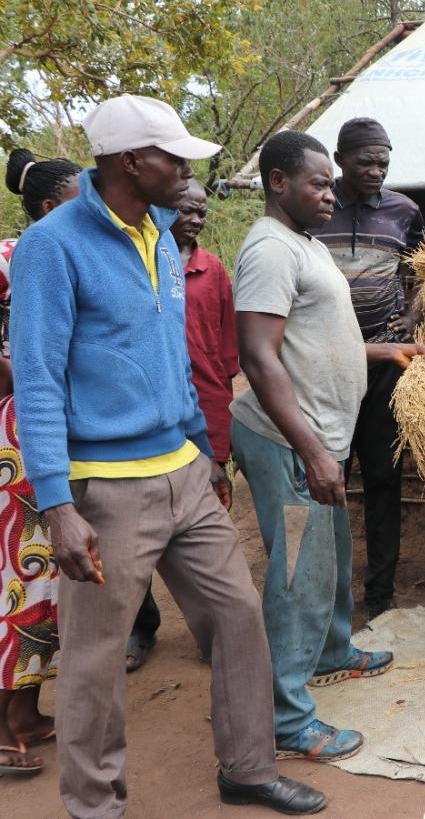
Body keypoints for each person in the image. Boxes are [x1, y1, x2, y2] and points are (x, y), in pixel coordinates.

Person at [9, 95, 325, 815]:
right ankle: (95, 804)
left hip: (181, 468)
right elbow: (37, 379)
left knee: (240, 612)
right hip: (108, 492)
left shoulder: (158, 231)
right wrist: (58, 504)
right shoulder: (53, 247)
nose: (185, 172)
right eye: (173, 157)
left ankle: (246, 767)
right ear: (131, 162)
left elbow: (169, 354)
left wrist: (205, 453)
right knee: (95, 657)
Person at [232, 130, 423, 763]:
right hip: (291, 444)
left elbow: (315, 338)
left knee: (333, 555)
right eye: (318, 182)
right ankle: (287, 720)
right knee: (298, 578)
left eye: (329, 184)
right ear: (277, 182)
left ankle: (334, 653)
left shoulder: (303, 244)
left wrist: (380, 350)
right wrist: (312, 450)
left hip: (320, 440)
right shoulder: (268, 250)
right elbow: (258, 357)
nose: (329, 193)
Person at [315, 118, 425, 620]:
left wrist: (409, 316)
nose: (377, 170)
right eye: (366, 162)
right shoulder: (315, 208)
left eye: (384, 161)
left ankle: (380, 597)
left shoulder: (405, 211)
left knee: (383, 481)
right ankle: (326, 594)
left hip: (385, 368)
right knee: (326, 480)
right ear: (340, 160)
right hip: (325, 368)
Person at [129, 178, 239, 671]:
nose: (194, 218)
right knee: (135, 533)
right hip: (148, 416)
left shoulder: (212, 269)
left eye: (201, 211)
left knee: (204, 529)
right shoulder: (136, 262)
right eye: (183, 209)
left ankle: (212, 633)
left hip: (204, 409)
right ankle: (139, 627)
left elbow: (225, 348)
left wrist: (217, 424)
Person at [0, 148, 80, 777]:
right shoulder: (24, 252)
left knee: (39, 577)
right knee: (23, 578)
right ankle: (10, 723)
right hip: (19, 435)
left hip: (40, 429)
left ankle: (22, 712)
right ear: (52, 205)